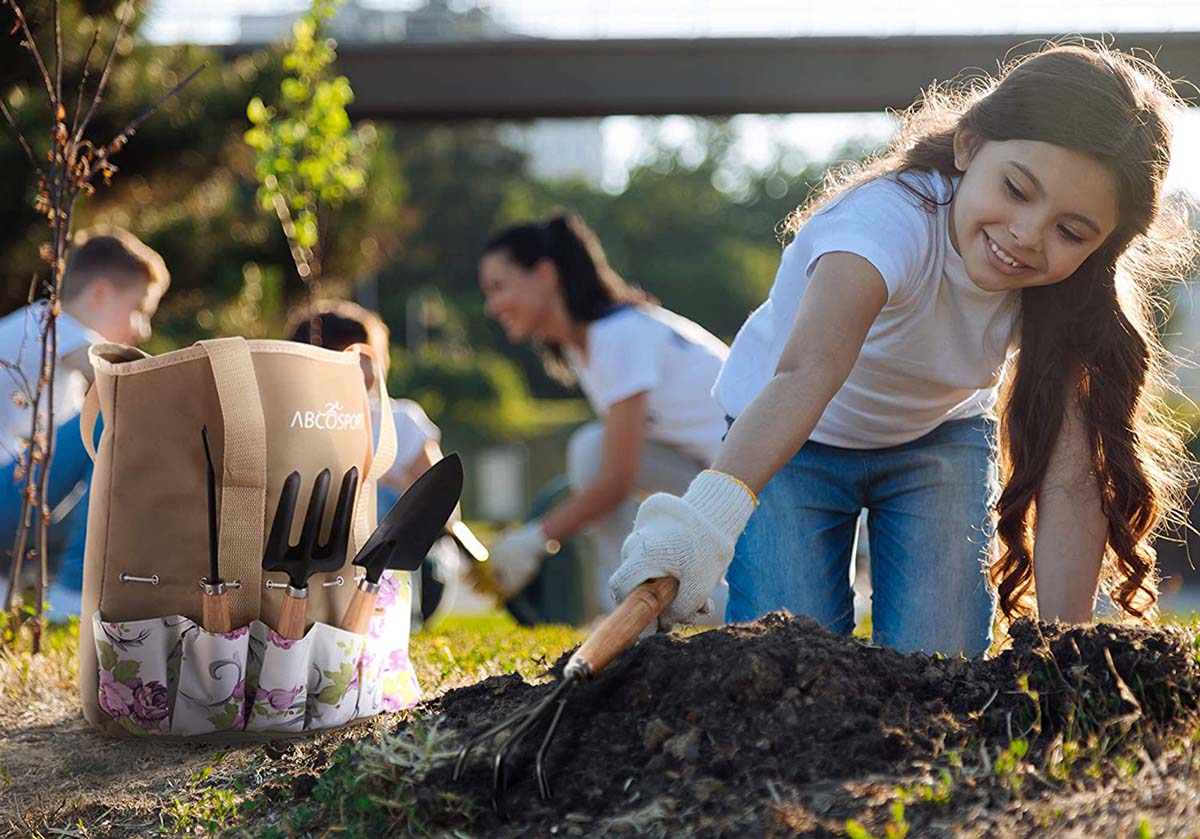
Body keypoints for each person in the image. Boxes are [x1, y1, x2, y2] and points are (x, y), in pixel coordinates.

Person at [609, 43, 1197, 657]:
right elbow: (807, 374)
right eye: (1017, 190)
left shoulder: (1072, 290)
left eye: (1071, 230)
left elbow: (1072, 475)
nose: (1028, 236)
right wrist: (700, 527)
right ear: (969, 146)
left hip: (936, 442)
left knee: (939, 666)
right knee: (787, 654)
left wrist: (1063, 652)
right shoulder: (880, 228)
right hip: (793, 440)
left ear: (1103, 242)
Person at [480, 213, 731, 618]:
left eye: (499, 287)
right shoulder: (592, 347)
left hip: (760, 488)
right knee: (592, 448)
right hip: (722, 480)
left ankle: (641, 602)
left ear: (545, 274)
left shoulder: (617, 334)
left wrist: (534, 539)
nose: (492, 307)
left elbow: (616, 479)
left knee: (591, 451)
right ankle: (638, 598)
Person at [0, 227, 169, 618]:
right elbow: (127, 383)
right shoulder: (53, 324)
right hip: (8, 499)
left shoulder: (44, 332)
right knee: (111, 421)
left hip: (17, 506)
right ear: (100, 293)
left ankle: (21, 575)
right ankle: (71, 592)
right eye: (139, 309)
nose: (143, 328)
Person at [286, 299, 459, 624]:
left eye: (368, 358)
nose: (366, 369)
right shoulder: (297, 422)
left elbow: (443, 508)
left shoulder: (400, 420)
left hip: (405, 565)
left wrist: (382, 480)